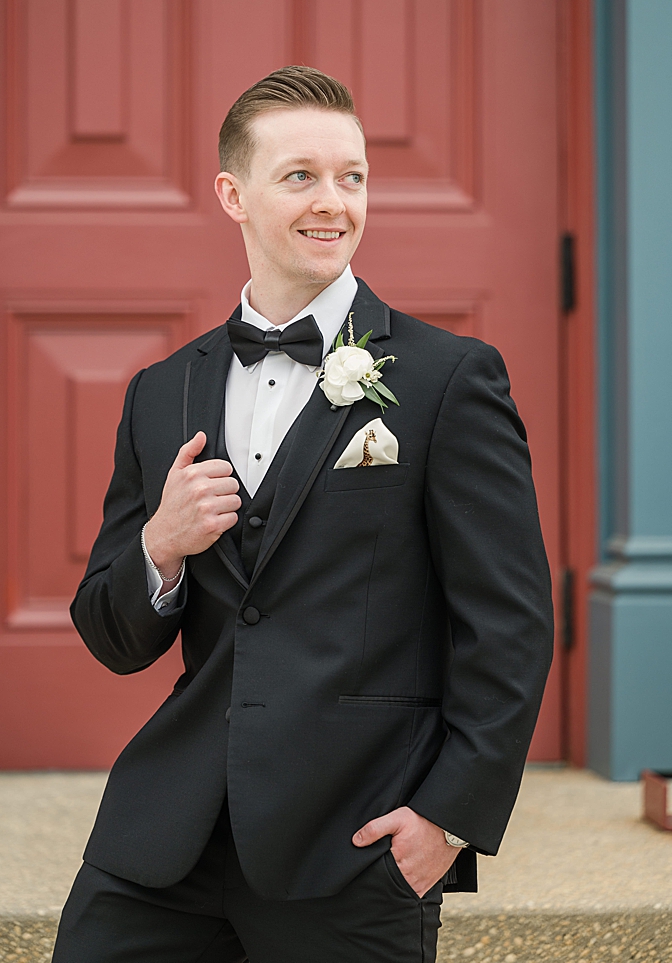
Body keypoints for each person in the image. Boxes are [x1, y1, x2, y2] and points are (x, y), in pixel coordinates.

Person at [52, 68, 553, 962]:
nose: (335, 203)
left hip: (353, 844)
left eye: (352, 177)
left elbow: (509, 622)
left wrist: (448, 817)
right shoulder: (160, 393)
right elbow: (111, 635)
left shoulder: (447, 381)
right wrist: (159, 548)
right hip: (165, 839)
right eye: (301, 177)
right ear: (232, 194)